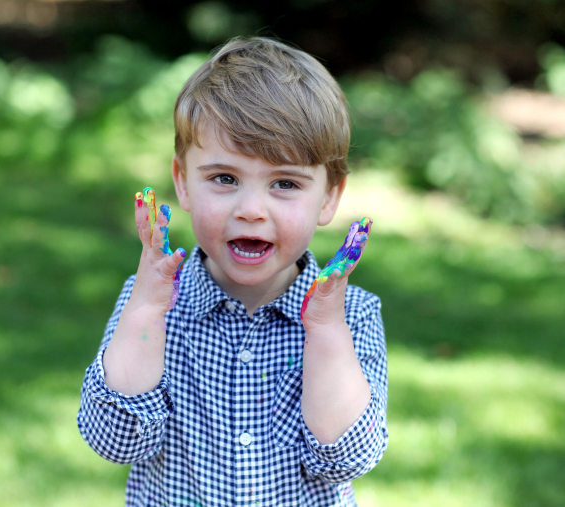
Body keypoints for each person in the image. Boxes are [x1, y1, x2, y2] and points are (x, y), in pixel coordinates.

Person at [77, 36, 388, 506]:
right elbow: (115, 442)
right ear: (182, 183)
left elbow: (347, 458)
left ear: (328, 197)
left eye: (285, 183)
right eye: (225, 179)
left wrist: (325, 332)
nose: (250, 210)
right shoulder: (154, 302)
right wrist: (143, 313)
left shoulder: (354, 316)